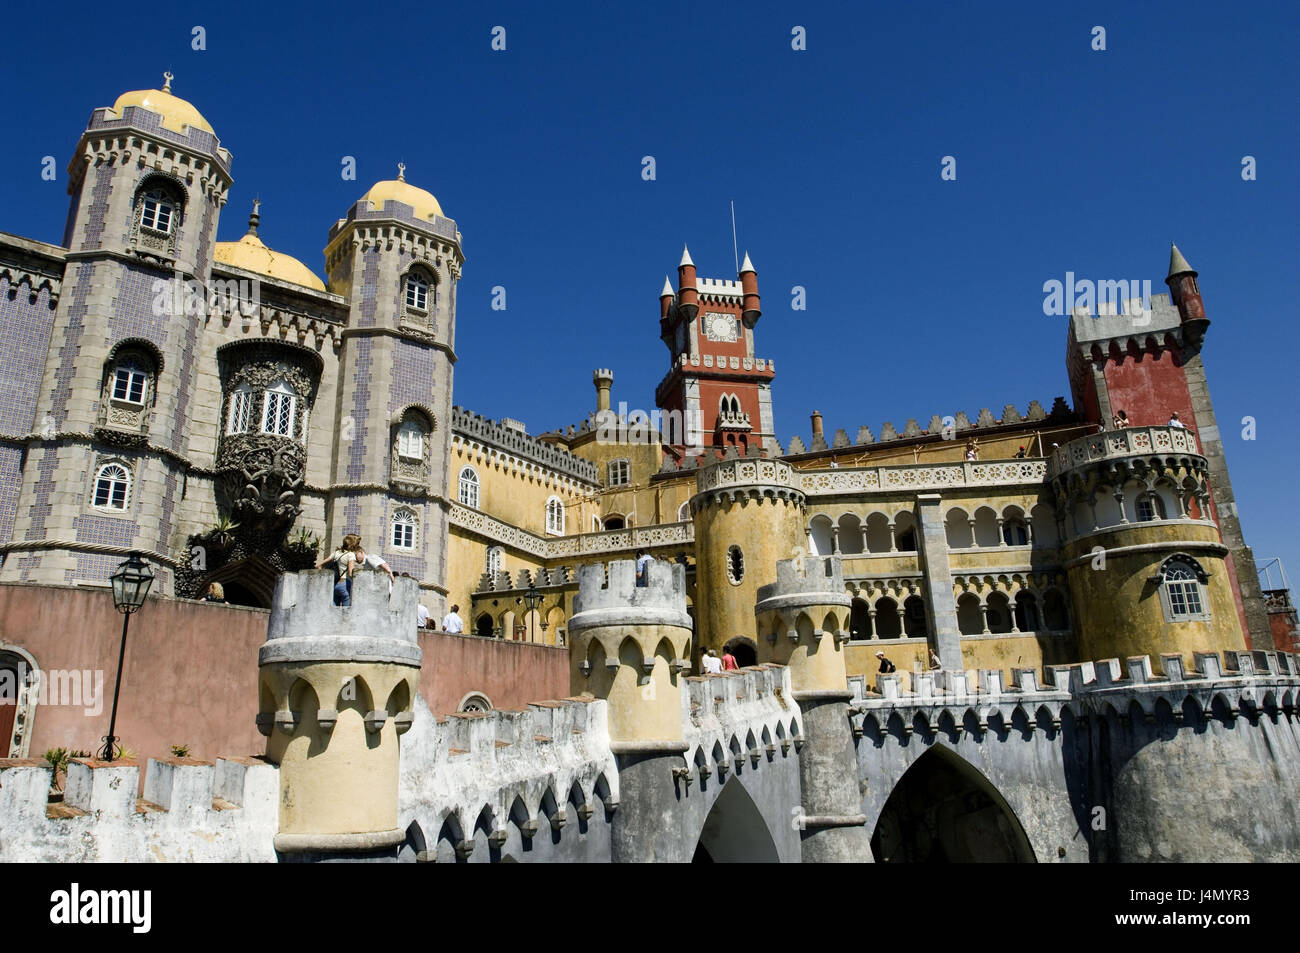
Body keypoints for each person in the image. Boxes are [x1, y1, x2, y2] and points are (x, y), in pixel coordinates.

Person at [319, 534, 360, 606]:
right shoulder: (351, 555)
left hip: (334, 584)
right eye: (358, 543)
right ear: (354, 544)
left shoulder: (335, 553)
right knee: (346, 611)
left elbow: (319, 565)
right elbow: (350, 573)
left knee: (333, 610)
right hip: (345, 583)